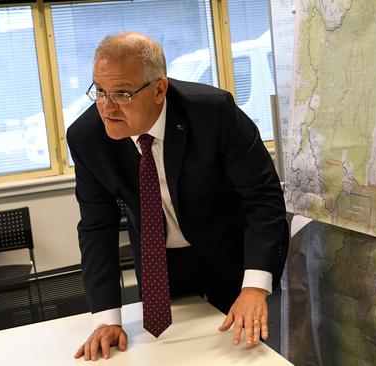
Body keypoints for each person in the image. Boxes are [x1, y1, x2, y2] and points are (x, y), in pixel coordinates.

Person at [67, 32, 288, 361]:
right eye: (99, 91)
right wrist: (106, 320)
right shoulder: (87, 138)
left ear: (159, 89)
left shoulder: (214, 113)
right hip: (161, 271)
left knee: (250, 355)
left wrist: (255, 286)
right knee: (171, 356)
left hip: (234, 261)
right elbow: (97, 228)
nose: (106, 107)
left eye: (122, 93)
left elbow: (263, 199)